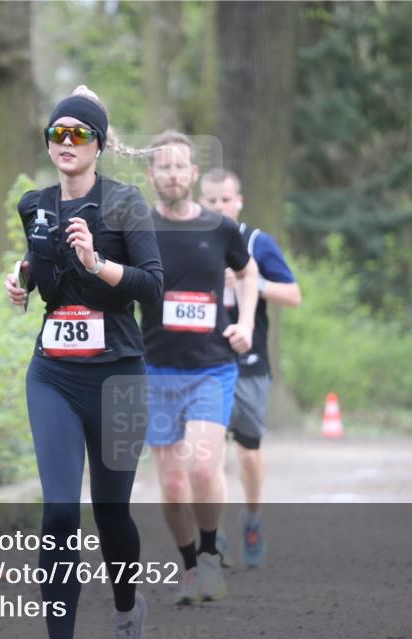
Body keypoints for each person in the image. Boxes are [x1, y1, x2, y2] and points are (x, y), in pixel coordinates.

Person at [4, 86, 163, 639]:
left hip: (119, 375)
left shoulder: (126, 205)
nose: (66, 143)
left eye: (79, 134)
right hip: (54, 377)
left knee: (112, 511)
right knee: (61, 510)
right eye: (57, 134)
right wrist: (21, 278)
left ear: (98, 144)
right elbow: (42, 268)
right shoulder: (35, 204)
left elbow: (153, 287)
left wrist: (100, 263)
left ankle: (126, 619)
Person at [140, 132, 259, 605]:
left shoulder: (219, 228)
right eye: (162, 167)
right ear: (151, 176)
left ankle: (211, 555)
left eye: (180, 166)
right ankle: (189, 566)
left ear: (193, 174)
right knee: (170, 482)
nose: (171, 174)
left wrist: (246, 322)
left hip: (211, 366)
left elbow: (247, 272)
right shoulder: (138, 230)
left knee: (204, 466)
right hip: (155, 369)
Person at [199, 168, 301, 568]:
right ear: (201, 200)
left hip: (250, 363)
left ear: (238, 201)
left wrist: (248, 281)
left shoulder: (257, 242)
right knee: (207, 455)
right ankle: (214, 533)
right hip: (202, 360)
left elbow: (293, 295)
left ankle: (253, 517)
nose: (219, 206)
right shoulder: (190, 239)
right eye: (211, 200)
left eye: (225, 199)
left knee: (247, 454)